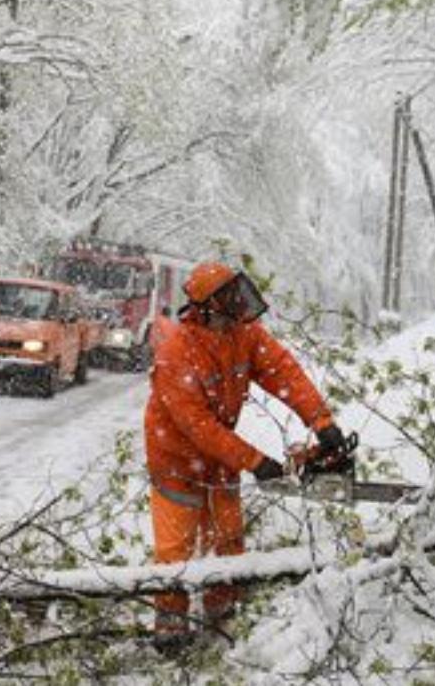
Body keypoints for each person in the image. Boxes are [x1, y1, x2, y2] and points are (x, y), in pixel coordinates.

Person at [144, 261, 349, 651]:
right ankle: (171, 624)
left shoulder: (245, 335)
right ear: (205, 308)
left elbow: (284, 373)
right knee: (175, 550)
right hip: (175, 459)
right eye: (228, 303)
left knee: (228, 537)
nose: (237, 311)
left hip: (221, 456)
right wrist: (255, 461)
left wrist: (322, 423)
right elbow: (198, 427)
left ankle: (221, 616)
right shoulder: (176, 353)